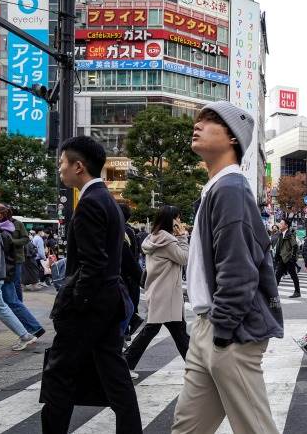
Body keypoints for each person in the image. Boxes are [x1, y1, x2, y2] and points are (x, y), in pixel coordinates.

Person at [171, 101, 282, 433]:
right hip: (210, 326)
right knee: (187, 428)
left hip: (229, 332)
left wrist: (222, 331)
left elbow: (239, 269)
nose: (198, 125)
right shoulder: (215, 189)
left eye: (210, 120)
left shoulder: (231, 188)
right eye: (199, 120)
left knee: (254, 428)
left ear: (233, 137)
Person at [40, 136, 141, 433]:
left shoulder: (89, 204)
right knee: (114, 372)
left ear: (79, 166)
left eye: (62, 163)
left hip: (90, 305)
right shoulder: (107, 199)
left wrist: (75, 304)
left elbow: (92, 264)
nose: (60, 170)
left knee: (59, 373)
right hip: (109, 299)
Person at [124, 205, 189, 378]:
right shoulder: (167, 241)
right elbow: (183, 258)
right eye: (177, 218)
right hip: (166, 295)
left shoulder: (155, 237)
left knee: (176, 331)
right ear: (171, 220)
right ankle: (196, 368)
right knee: (163, 331)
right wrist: (183, 237)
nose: (180, 222)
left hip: (161, 292)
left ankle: (195, 367)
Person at [0, 203, 45, 345]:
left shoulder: (4, 228)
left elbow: (20, 243)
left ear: (0, 214)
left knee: (9, 301)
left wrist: (12, 242)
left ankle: (32, 330)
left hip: (5, 269)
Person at [119, 203, 143, 337]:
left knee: (124, 306)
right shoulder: (130, 230)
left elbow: (127, 258)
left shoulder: (120, 231)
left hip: (124, 276)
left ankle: (124, 331)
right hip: (130, 276)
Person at [274, 219, 301, 298]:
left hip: (288, 258)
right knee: (278, 275)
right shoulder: (281, 234)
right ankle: (273, 292)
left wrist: (292, 257)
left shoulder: (289, 235)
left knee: (293, 275)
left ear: (286, 225)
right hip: (282, 258)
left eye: (281, 223)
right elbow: (279, 246)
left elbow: (295, 246)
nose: (279, 225)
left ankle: (297, 292)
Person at [8, 209, 31, 302]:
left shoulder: (18, 224)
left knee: (16, 282)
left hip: (16, 258)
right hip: (2, 258)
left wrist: (11, 242)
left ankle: (19, 305)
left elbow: (26, 239)